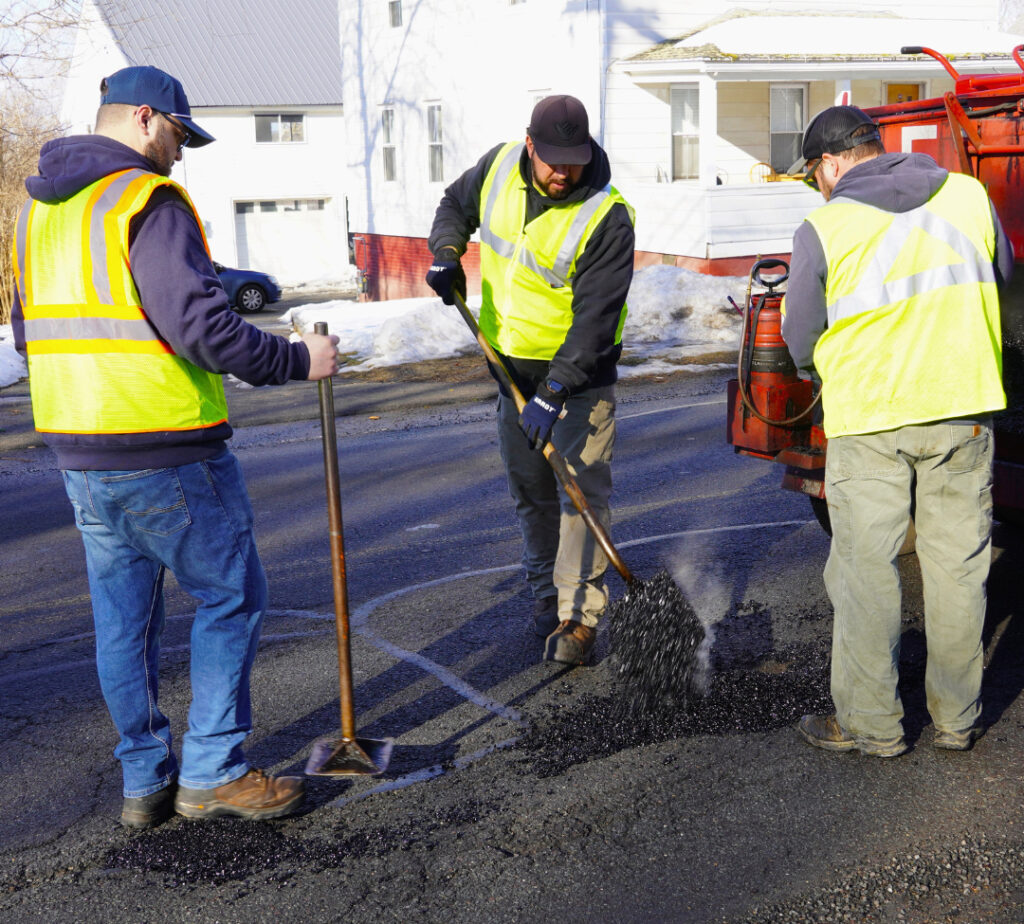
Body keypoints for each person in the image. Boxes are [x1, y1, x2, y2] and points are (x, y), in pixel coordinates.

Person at [11, 65, 341, 828]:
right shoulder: (144, 200)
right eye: (179, 135)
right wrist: (298, 361)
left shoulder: (39, 216)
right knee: (231, 595)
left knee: (124, 625)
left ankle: (145, 783)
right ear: (146, 119)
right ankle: (214, 774)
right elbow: (203, 330)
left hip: (81, 456)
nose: (181, 153)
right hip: (166, 450)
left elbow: (35, 335)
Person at [781, 105, 1014, 757]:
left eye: (813, 176)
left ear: (829, 165)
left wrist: (823, 370)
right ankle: (956, 721)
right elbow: (1004, 282)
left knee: (866, 572)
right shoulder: (969, 196)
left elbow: (801, 336)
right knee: (957, 568)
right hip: (962, 409)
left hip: (869, 419)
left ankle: (873, 728)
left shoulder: (824, 227)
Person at [425, 94, 635, 665]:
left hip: (579, 380)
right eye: (552, 160)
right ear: (529, 144)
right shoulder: (496, 168)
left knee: (580, 493)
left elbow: (595, 320)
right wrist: (446, 253)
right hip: (509, 369)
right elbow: (454, 204)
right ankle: (547, 595)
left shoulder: (607, 215)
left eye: (573, 160)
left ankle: (578, 617)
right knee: (533, 492)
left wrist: (554, 392)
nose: (563, 172)